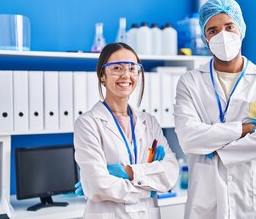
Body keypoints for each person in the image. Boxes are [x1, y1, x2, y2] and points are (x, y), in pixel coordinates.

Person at [173, 0, 256, 218]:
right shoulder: (190, 82)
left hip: (253, 199)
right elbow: (188, 139)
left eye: (229, 27)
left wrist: (214, 146)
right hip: (206, 200)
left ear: (241, 29)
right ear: (204, 38)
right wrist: (243, 129)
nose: (222, 36)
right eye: (213, 31)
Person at [74, 42, 179, 219]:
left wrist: (128, 172)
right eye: (116, 68)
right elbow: (97, 185)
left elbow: (171, 172)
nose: (126, 75)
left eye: (132, 68)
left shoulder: (149, 122)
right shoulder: (87, 124)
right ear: (102, 76)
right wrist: (149, 186)